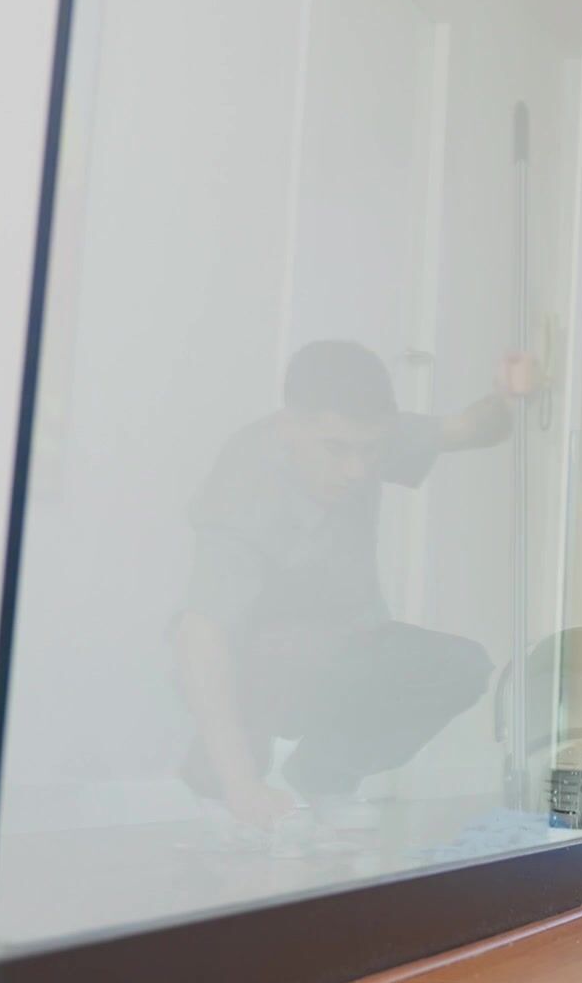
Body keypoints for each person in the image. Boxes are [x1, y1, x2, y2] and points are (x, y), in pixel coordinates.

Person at [174, 340, 532, 836]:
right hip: (257, 656)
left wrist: (508, 397)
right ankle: (216, 788)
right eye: (336, 450)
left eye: (369, 451)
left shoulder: (368, 436)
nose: (356, 471)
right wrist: (240, 784)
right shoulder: (244, 489)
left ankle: (325, 778)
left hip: (343, 639)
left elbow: (472, 429)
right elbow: (200, 637)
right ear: (289, 425)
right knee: (273, 653)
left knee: (461, 667)